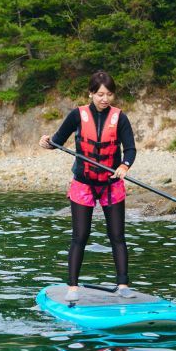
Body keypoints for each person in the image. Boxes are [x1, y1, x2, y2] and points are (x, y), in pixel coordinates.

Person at [39, 70, 137, 302]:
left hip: (111, 184)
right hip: (83, 184)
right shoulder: (77, 115)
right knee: (80, 236)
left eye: (109, 94)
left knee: (117, 236)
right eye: (101, 94)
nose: (105, 99)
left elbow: (130, 149)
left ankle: (122, 284)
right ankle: (72, 287)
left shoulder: (120, 117)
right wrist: (46, 143)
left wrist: (124, 166)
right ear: (91, 93)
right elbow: (57, 140)